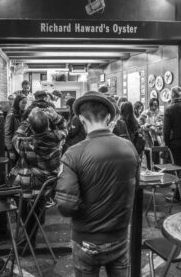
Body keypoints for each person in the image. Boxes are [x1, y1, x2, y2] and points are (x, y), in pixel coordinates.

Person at [55, 91, 140, 277]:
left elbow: (65, 206)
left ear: (81, 120)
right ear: (109, 117)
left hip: (86, 240)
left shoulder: (72, 154)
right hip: (120, 236)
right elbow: (135, 187)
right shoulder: (129, 147)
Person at [10, 107, 66, 245]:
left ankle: (27, 234)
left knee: (18, 189)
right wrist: (54, 117)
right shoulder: (58, 139)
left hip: (30, 186)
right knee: (34, 202)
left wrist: (29, 118)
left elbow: (15, 137)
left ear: (31, 127)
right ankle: (35, 223)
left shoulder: (24, 143)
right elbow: (64, 127)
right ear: (48, 125)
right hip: (47, 186)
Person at [4, 94, 27, 167]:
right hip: (14, 148)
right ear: (17, 102)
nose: (24, 105)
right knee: (14, 170)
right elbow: (7, 133)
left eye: (26, 103)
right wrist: (10, 150)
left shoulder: (23, 113)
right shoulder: (11, 115)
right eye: (23, 103)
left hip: (21, 147)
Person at [140, 97, 164, 168]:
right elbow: (139, 126)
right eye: (152, 105)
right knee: (149, 159)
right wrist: (146, 127)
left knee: (157, 159)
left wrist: (160, 127)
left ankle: (157, 173)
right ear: (149, 105)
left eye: (156, 105)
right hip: (148, 140)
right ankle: (149, 172)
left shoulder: (161, 113)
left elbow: (164, 126)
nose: (154, 107)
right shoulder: (144, 113)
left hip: (158, 139)